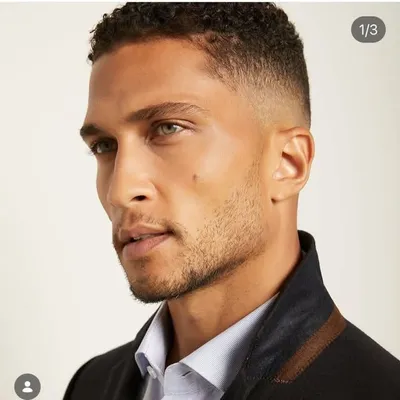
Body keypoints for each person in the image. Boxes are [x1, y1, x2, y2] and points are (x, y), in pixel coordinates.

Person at [63, 3, 400, 399]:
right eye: (104, 146)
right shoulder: (90, 385)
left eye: (168, 128)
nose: (119, 191)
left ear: (287, 163)